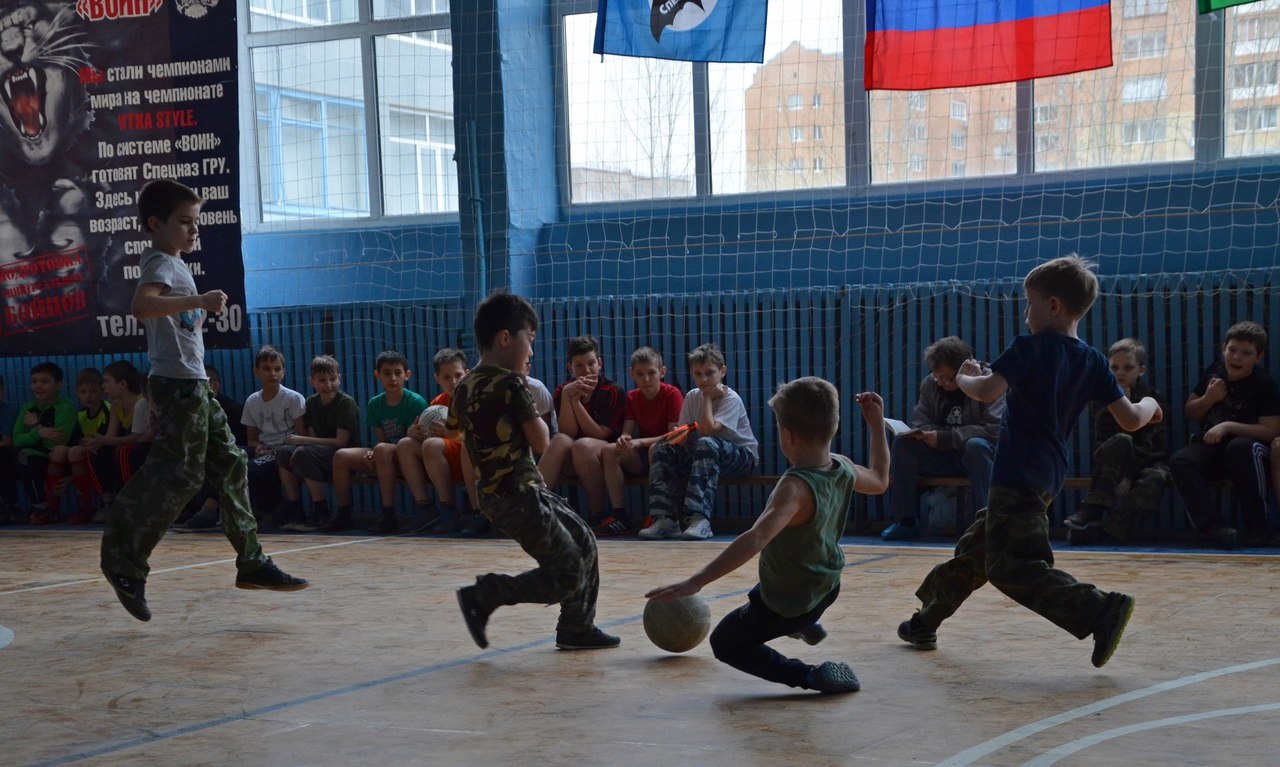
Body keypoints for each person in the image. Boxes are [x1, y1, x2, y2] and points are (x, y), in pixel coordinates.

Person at [895, 255, 1162, 669]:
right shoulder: (1092, 359)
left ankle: (1099, 609)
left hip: (1016, 473)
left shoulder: (1029, 347)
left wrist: (964, 376)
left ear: (1053, 305)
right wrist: (1151, 403)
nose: (1025, 313)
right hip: (1047, 476)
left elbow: (986, 391)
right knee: (977, 551)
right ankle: (924, 622)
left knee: (1011, 566)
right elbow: (1130, 419)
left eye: (1029, 302)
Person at [100, 178, 307, 623]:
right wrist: (201, 300)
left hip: (193, 385)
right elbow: (142, 306)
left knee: (231, 464)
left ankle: (251, 561)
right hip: (177, 386)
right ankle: (123, 559)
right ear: (155, 224)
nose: (194, 230)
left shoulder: (174, 262)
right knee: (180, 476)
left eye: (196, 222)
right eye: (185, 222)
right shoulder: (160, 261)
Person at [647, 377, 888, 694]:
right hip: (827, 586)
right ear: (833, 427)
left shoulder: (794, 488)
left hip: (789, 603)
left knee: (726, 642)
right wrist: (876, 425)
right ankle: (805, 623)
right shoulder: (843, 467)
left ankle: (809, 675)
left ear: (787, 436)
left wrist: (697, 581)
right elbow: (880, 480)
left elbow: (756, 538)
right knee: (768, 584)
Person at [454, 291, 620, 651]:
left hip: (505, 493)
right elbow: (542, 440)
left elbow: (455, 429)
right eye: (529, 339)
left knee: (584, 539)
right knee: (569, 572)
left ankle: (577, 627)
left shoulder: (464, 384)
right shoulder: (513, 384)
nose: (531, 350)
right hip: (519, 494)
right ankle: (488, 594)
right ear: (505, 338)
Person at [1168, 320, 1280, 549]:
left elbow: (1271, 432)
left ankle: (1258, 528)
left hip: (1248, 453)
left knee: (1241, 448)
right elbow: (1191, 412)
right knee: (1180, 461)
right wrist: (1208, 398)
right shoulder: (1215, 372)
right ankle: (1213, 528)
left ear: (1258, 357)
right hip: (1214, 448)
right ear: (1223, 349)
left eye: (1246, 353)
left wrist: (1228, 426)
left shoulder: (1263, 383)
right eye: (1232, 350)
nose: (1236, 357)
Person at [882, 336, 1003, 541]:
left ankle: (989, 522)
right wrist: (929, 435)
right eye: (937, 376)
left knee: (976, 446)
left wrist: (945, 437)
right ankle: (905, 521)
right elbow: (921, 421)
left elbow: (994, 430)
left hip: (981, 457)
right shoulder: (931, 383)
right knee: (904, 444)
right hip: (944, 455)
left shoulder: (989, 382)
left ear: (964, 369)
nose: (941, 382)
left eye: (947, 377)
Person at [638, 343, 759, 541]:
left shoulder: (731, 398)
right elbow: (685, 434)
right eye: (698, 374)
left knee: (707, 443)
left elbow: (708, 430)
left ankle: (699, 518)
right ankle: (665, 520)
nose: (703, 379)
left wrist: (708, 398)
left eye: (709, 373)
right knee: (662, 448)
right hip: (704, 455)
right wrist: (677, 438)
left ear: (722, 371)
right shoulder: (691, 396)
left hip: (742, 458)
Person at [1064, 338, 1170, 545]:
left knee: (1156, 478)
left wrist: (1129, 476)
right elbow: (1105, 441)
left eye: (1128, 367)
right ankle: (1093, 508)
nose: (1120, 373)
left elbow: (1150, 444)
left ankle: (1109, 531)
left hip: (1146, 461)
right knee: (1121, 440)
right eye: (1114, 368)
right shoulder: (1104, 398)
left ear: (1141, 370)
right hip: (1113, 463)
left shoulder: (1151, 399)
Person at [574, 346, 683, 537]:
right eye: (640, 374)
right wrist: (624, 439)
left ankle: (658, 514)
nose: (646, 379)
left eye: (651, 373)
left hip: (668, 455)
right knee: (610, 450)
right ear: (631, 373)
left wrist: (640, 442)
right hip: (643, 456)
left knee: (656, 448)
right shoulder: (632, 397)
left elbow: (674, 435)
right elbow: (627, 431)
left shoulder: (672, 394)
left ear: (662, 372)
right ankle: (620, 516)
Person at [325, 350, 428, 534]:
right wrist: (375, 454)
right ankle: (343, 513)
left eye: (398, 373)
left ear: (407, 375)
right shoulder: (375, 403)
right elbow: (382, 440)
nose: (393, 378)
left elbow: (416, 443)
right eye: (387, 373)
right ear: (377, 375)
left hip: (411, 460)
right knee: (341, 456)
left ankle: (388, 515)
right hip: (387, 455)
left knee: (382, 450)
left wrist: (380, 451)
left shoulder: (416, 402)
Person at [274, 354, 360, 532]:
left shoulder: (346, 404)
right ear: (312, 381)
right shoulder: (312, 403)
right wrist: (304, 443)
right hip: (320, 453)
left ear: (339, 379)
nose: (328, 385)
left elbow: (340, 442)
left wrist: (303, 441)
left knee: (304, 453)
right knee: (283, 453)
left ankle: (322, 511)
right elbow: (313, 437)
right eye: (322, 380)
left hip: (345, 454)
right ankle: (296, 508)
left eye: (332, 379)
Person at [395, 347, 475, 534]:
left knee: (432, 445)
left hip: (474, 459)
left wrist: (452, 433)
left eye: (458, 375)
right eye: (446, 377)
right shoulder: (437, 404)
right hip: (444, 461)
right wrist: (414, 433)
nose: (453, 381)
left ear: (467, 374)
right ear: (437, 378)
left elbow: (483, 438)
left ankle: (469, 511)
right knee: (405, 444)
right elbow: (428, 439)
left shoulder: (476, 399)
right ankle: (427, 508)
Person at [537, 335, 625, 495]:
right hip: (573, 458)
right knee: (559, 440)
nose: (586, 370)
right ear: (570, 368)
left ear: (599, 363)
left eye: (591, 364)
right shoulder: (563, 390)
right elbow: (567, 433)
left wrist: (576, 402)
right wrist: (567, 397)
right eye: (579, 365)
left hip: (604, 455)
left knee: (582, 446)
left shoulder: (612, 391)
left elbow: (600, 434)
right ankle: (536, 500)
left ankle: (596, 509)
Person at [240, 345, 307, 529]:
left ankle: (273, 509)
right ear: (256, 371)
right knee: (234, 459)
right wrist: (258, 446)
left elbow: (302, 436)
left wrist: (275, 450)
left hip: (286, 449)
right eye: (267, 369)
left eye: (277, 369)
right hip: (265, 449)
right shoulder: (252, 401)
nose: (272, 373)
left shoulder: (293, 398)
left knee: (254, 470)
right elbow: (251, 438)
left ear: (283, 372)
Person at [78, 361, 149, 523]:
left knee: (123, 451)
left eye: (107, 382)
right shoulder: (116, 405)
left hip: (144, 445)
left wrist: (104, 440)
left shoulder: (140, 402)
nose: (103, 386)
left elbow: (137, 438)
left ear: (122, 384)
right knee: (94, 453)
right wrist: (96, 442)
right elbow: (111, 436)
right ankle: (108, 502)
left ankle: (130, 502)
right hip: (129, 442)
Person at [12, 362, 77, 524]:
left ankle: (42, 506)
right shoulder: (28, 407)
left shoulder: (65, 406)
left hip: (61, 460)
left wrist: (35, 426)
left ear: (59, 385)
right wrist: (39, 432)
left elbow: (56, 442)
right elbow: (16, 439)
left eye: (44, 382)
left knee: (25, 454)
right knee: (14, 454)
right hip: (35, 458)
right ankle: (17, 505)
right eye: (34, 382)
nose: (38, 386)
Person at [48, 368, 109, 525]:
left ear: (102, 391)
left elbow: (103, 442)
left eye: (92, 391)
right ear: (77, 393)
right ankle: (51, 506)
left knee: (75, 451)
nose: (87, 396)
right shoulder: (80, 414)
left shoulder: (107, 410)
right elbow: (75, 440)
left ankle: (85, 507)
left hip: (104, 454)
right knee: (59, 450)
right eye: (83, 392)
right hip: (84, 454)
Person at [0, 375, 19, 523]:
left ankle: (9, 505)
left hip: (7, 454)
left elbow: (7, 441)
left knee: (3, 455)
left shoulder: (8, 412)